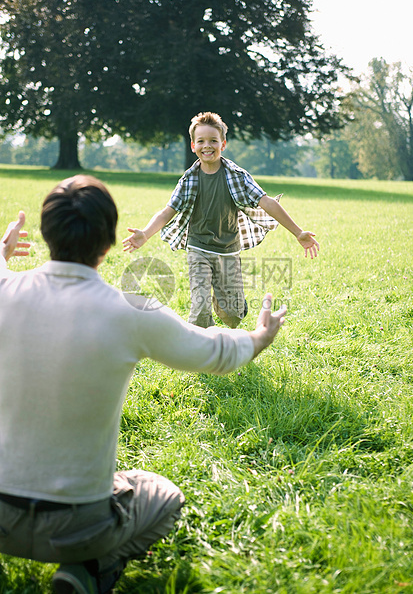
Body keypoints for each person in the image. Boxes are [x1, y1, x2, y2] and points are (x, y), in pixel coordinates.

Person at [0, 175, 287, 594]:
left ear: (45, 234)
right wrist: (259, 337)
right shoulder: (130, 313)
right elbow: (215, 353)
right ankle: (86, 571)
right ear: (109, 242)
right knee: (164, 496)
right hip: (78, 526)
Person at [123, 111, 319, 329]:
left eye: (213, 141)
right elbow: (167, 212)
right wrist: (145, 233)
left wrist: (298, 232)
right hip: (198, 248)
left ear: (223, 144)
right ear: (193, 146)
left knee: (232, 316)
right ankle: (201, 350)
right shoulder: (189, 179)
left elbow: (268, 202)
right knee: (200, 308)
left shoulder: (237, 176)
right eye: (201, 141)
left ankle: (228, 303)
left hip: (228, 251)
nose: (207, 145)